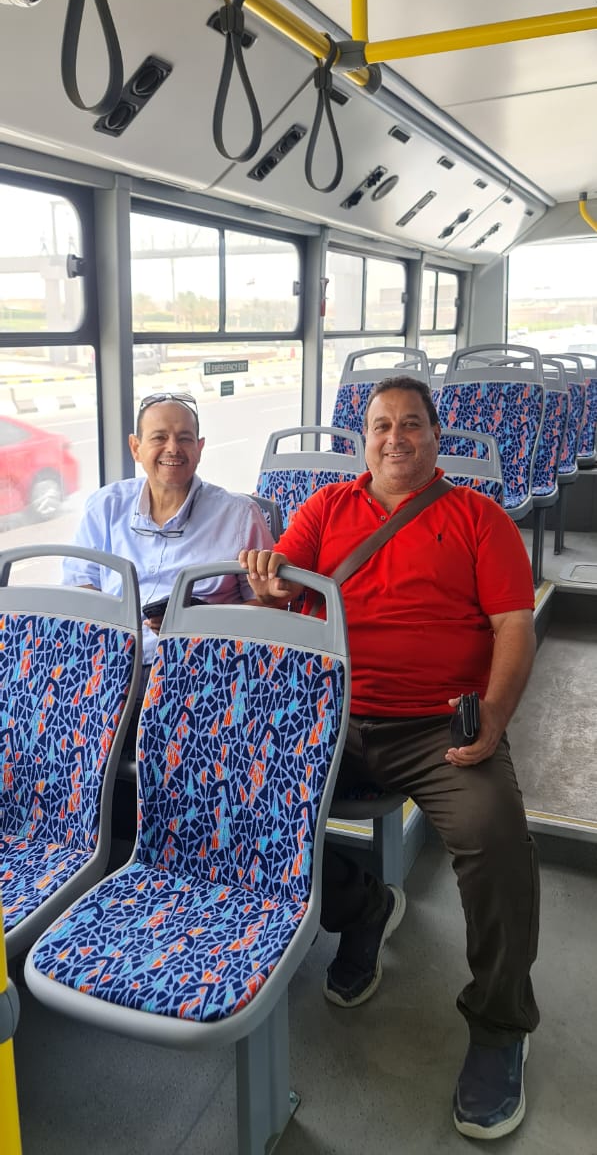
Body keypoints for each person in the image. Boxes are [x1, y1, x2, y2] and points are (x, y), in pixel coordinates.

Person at [240, 375, 539, 1141]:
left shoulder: (478, 518)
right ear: (363, 438)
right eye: (381, 425)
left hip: (436, 726)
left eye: (411, 424)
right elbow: (279, 590)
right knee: (243, 803)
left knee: (495, 836)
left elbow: (513, 626)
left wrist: (493, 716)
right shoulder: (325, 509)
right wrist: (264, 581)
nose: (395, 437)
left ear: (436, 436)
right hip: (330, 715)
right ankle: (362, 906)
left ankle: (500, 1024)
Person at [63, 390, 274, 733]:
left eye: (185, 438)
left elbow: (267, 607)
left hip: (203, 670)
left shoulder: (239, 516)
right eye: (159, 437)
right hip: (110, 663)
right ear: (136, 447)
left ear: (199, 449)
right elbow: (80, 587)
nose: (173, 448)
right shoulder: (105, 507)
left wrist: (201, 621)